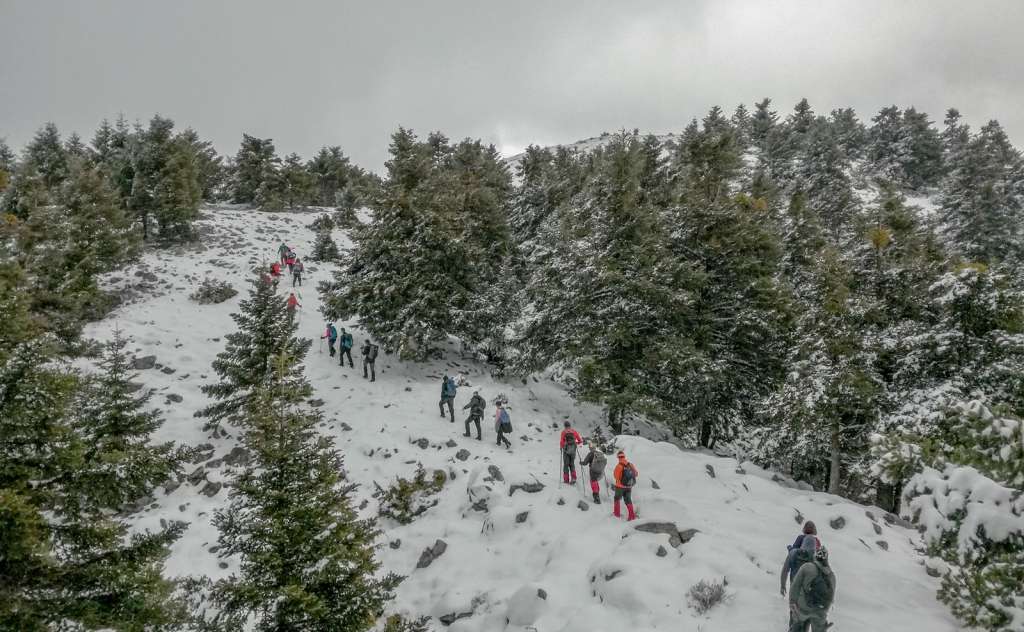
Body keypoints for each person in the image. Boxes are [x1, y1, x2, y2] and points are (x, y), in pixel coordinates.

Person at [788, 547, 835, 632]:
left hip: (803, 608)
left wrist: (792, 602)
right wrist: (823, 611)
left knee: (798, 626)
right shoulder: (831, 575)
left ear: (815, 556)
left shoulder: (807, 567)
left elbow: (795, 586)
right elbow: (831, 597)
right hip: (820, 611)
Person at [781, 522, 821, 596]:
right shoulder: (816, 541)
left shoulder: (800, 538)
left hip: (795, 577)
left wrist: (782, 586)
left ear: (804, 529)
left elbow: (794, 551)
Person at [612, 450, 638, 521]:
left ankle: (616, 514)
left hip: (620, 486)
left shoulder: (619, 466)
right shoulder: (630, 464)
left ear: (618, 457)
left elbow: (615, 476)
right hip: (629, 486)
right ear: (624, 456)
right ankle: (632, 516)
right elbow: (636, 474)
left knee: (617, 499)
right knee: (628, 500)